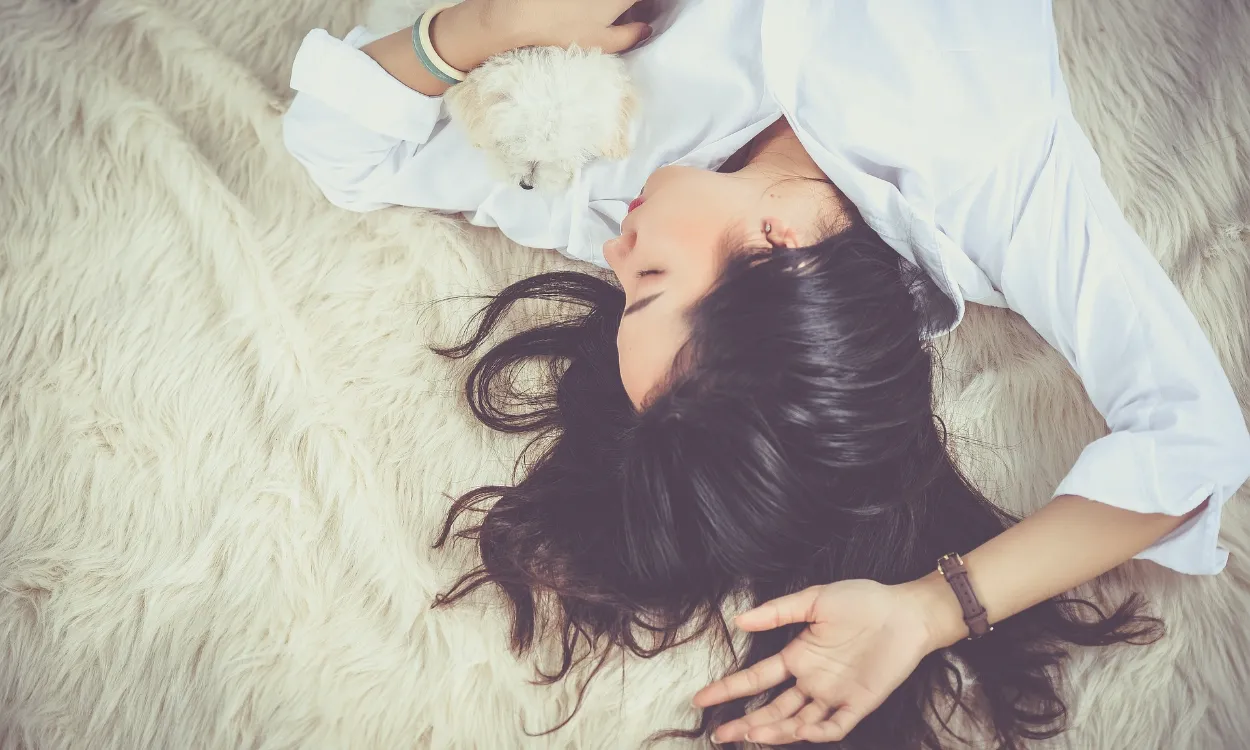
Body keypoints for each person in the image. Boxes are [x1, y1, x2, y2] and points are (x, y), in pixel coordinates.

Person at [282, 0, 1250, 746]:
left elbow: (343, 152)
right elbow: (1193, 442)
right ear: (778, 250)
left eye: (622, 294)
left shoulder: (606, 187)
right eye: (648, 284)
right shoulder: (985, 170)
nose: (615, 254)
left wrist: (486, 28)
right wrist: (929, 611)